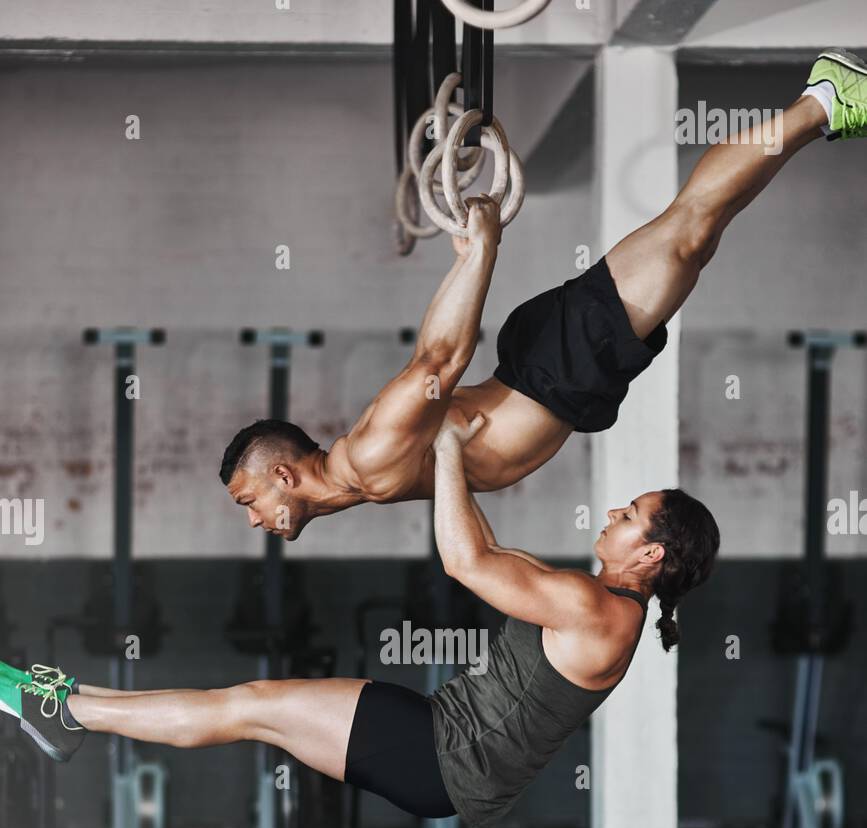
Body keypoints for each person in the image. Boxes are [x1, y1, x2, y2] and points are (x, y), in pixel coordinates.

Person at [220, 51, 866, 541]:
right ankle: (823, 105)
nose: (253, 522)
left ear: (282, 475)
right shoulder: (366, 484)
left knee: (689, 229)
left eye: (248, 502)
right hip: (561, 376)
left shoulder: (366, 457)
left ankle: (821, 101)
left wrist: (481, 254)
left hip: (553, 368)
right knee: (694, 233)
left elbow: (437, 361)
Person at [1, 413, 719, 828]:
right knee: (247, 712)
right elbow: (492, 551)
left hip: (441, 759)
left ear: (650, 553)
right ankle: (69, 705)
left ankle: (67, 710)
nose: (612, 516)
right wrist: (435, 471)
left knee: (247, 706)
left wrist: (445, 451)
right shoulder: (594, 598)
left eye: (628, 517)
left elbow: (467, 563)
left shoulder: (598, 611)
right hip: (439, 749)